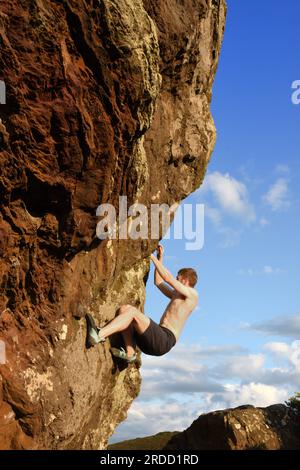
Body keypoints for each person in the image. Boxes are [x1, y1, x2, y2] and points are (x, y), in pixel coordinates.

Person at [86, 245, 198, 363]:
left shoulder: (192, 296)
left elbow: (167, 278)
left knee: (133, 313)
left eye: (178, 278)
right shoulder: (176, 295)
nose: (176, 279)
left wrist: (151, 256)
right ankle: (130, 353)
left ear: (185, 280)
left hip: (165, 340)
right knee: (124, 310)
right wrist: (160, 258)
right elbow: (158, 282)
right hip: (154, 338)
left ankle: (99, 334)